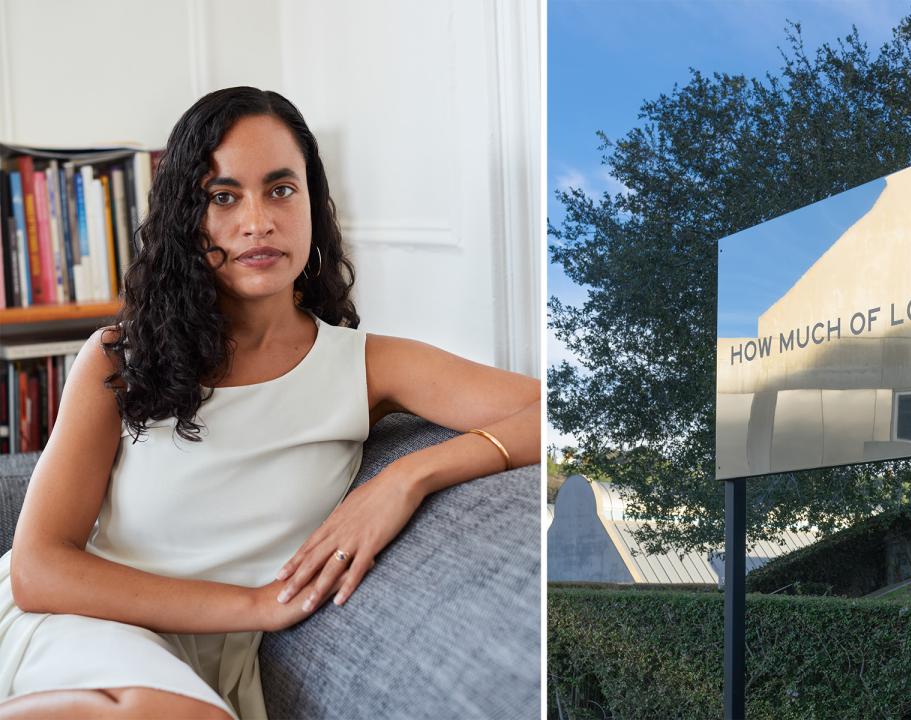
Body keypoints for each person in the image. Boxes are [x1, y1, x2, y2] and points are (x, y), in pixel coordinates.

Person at [0, 87, 540, 719]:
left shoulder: (367, 365)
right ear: (187, 217)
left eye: (281, 189)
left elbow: (555, 411)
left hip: (204, 670)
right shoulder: (120, 356)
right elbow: (39, 570)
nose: (258, 221)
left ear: (313, 202)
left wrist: (409, 476)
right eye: (224, 197)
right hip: (78, 627)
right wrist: (254, 607)